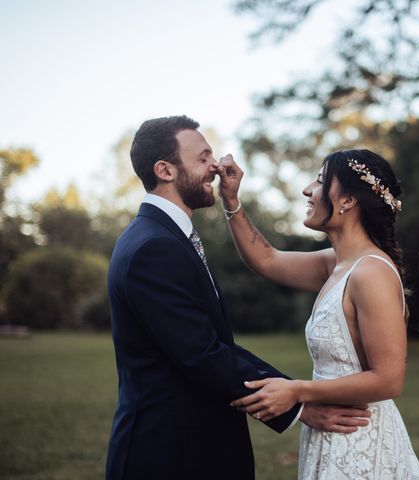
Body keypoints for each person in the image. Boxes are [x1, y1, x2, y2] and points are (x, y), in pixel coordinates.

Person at [105, 115, 371, 480]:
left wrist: (232, 200)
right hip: (170, 454)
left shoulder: (163, 237)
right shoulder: (154, 247)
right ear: (165, 170)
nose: (215, 166)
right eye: (202, 158)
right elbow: (202, 352)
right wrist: (297, 404)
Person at [217, 149, 419, 479]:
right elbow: (267, 260)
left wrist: (298, 391)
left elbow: (389, 379)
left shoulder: (370, 273)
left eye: (319, 180)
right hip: (330, 436)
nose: (307, 189)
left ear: (346, 201)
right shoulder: (337, 263)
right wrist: (231, 201)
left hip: (360, 443)